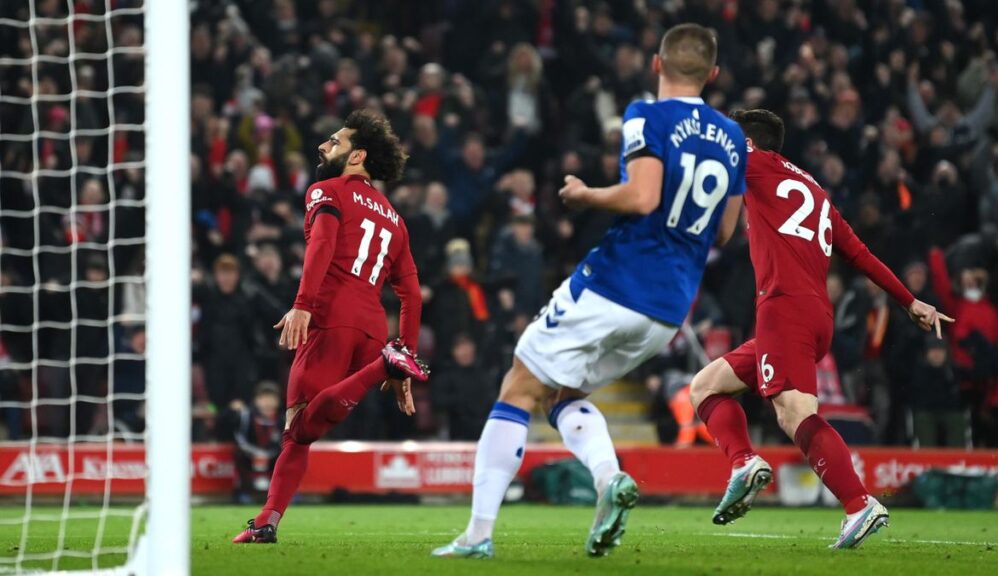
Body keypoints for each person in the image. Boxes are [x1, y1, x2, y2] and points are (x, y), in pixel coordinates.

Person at [433, 24, 747, 559]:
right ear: (713, 74)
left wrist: (586, 194)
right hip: (670, 309)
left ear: (656, 64)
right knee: (564, 395)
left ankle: (477, 535)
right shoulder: (734, 138)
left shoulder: (646, 115)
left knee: (519, 385)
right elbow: (723, 231)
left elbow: (644, 197)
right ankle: (607, 481)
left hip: (618, 280)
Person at [688, 109, 952, 549]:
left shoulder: (750, 162)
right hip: (814, 315)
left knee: (796, 415)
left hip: (784, 310)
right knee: (705, 387)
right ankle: (743, 463)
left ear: (747, 141)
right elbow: (861, 254)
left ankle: (857, 504)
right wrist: (910, 300)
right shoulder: (814, 190)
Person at [233, 110, 429, 544]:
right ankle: (267, 521)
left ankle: (382, 366)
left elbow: (322, 244)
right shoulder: (396, 219)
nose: (323, 146)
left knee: (298, 431)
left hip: (331, 315)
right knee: (301, 436)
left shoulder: (326, 190)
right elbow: (411, 295)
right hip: (373, 328)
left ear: (356, 155)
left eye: (334, 142)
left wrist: (302, 305)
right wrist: (405, 357)